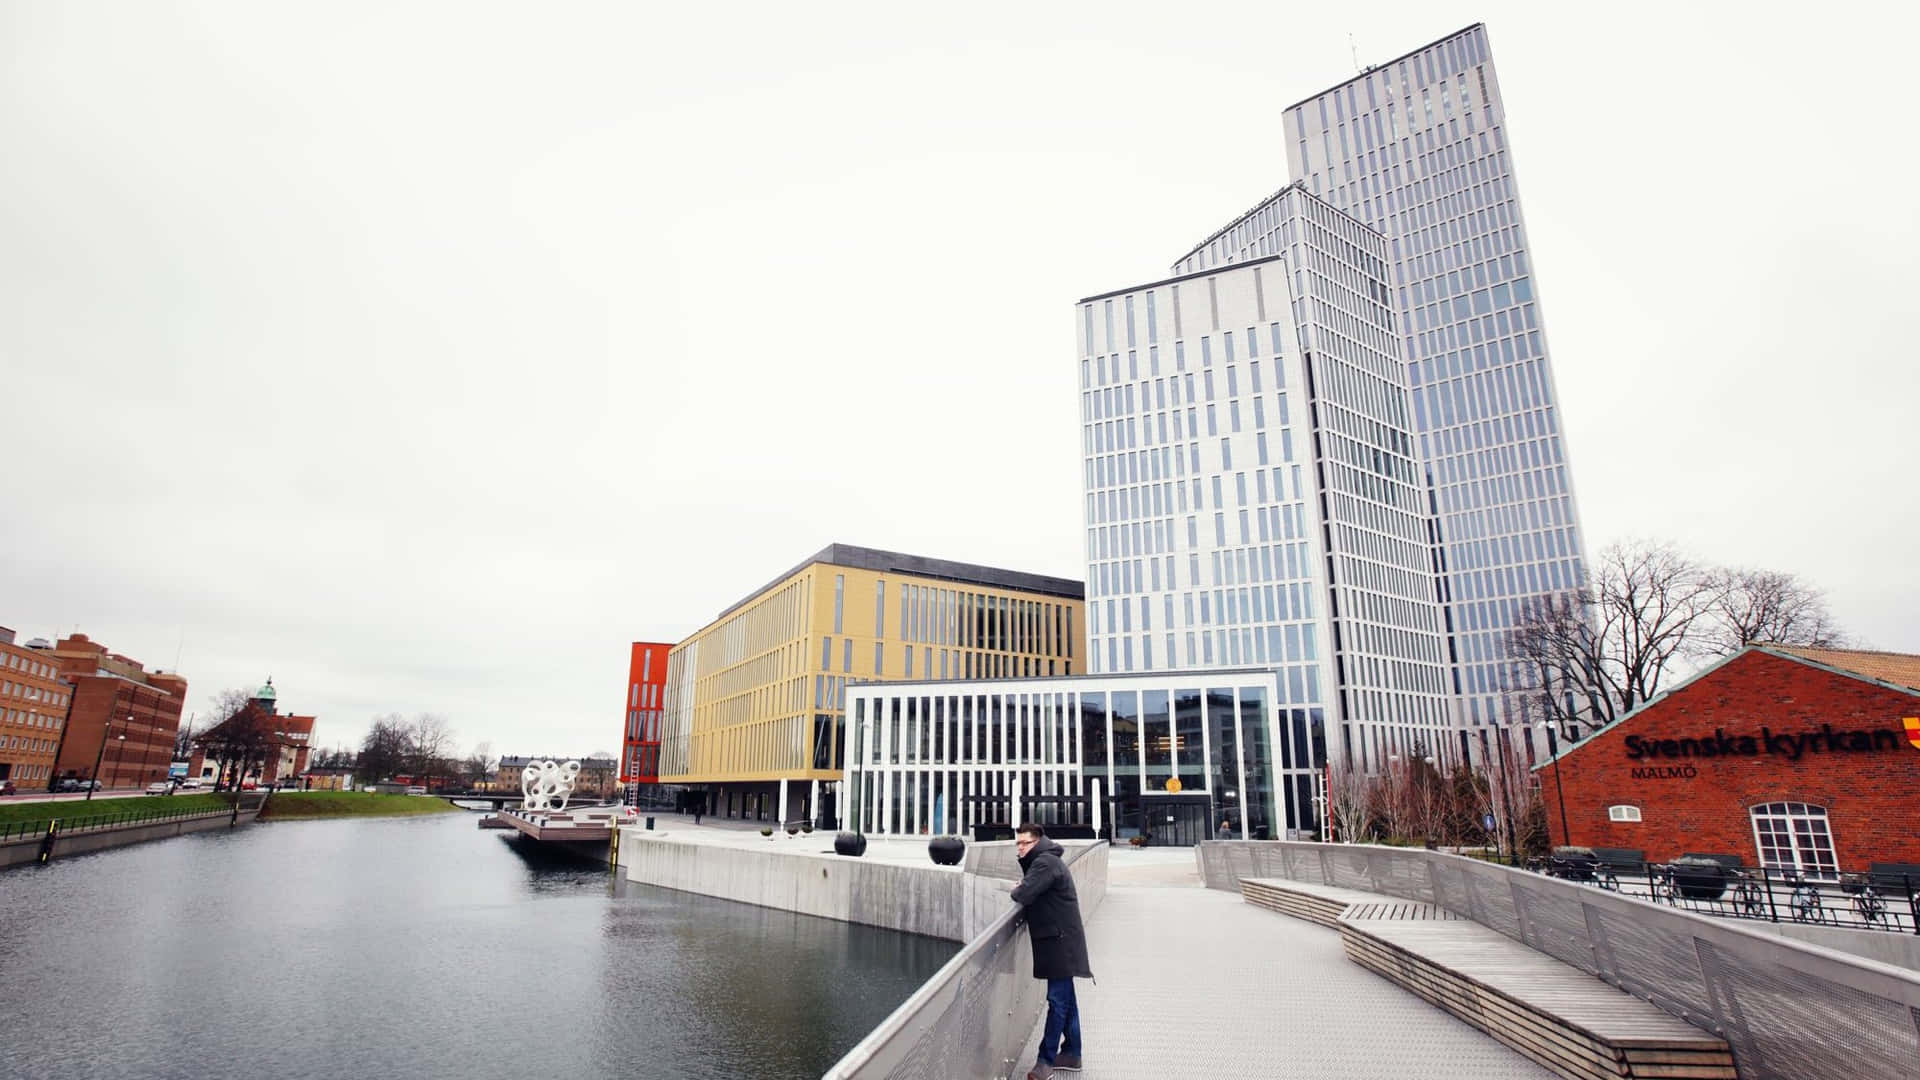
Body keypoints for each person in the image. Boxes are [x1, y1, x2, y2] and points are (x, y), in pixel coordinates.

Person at [1010, 822, 1091, 1078]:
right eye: (1018, 843)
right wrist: (1025, 883)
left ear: (1037, 841)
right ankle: (1072, 1053)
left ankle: (1045, 1061)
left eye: (1025, 843)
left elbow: (1023, 894)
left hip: (1060, 942)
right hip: (1059, 939)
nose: (1020, 848)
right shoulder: (1046, 862)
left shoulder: (1045, 863)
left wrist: (1019, 887)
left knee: (1057, 1001)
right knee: (1067, 1000)